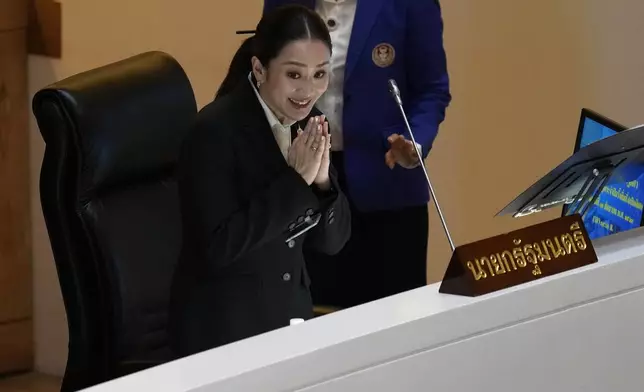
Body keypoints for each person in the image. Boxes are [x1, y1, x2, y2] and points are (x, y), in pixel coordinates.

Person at [168, 4, 351, 357]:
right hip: (225, 330)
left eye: (320, 74)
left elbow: (332, 243)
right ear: (259, 68)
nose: (308, 91)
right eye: (294, 75)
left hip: (288, 321)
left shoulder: (309, 122)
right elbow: (217, 249)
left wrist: (324, 182)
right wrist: (296, 182)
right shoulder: (214, 133)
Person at [262, 0, 452, 308]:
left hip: (388, 184)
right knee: (315, 318)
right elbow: (265, 80)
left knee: (395, 323)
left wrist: (414, 141)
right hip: (307, 183)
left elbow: (431, 89)